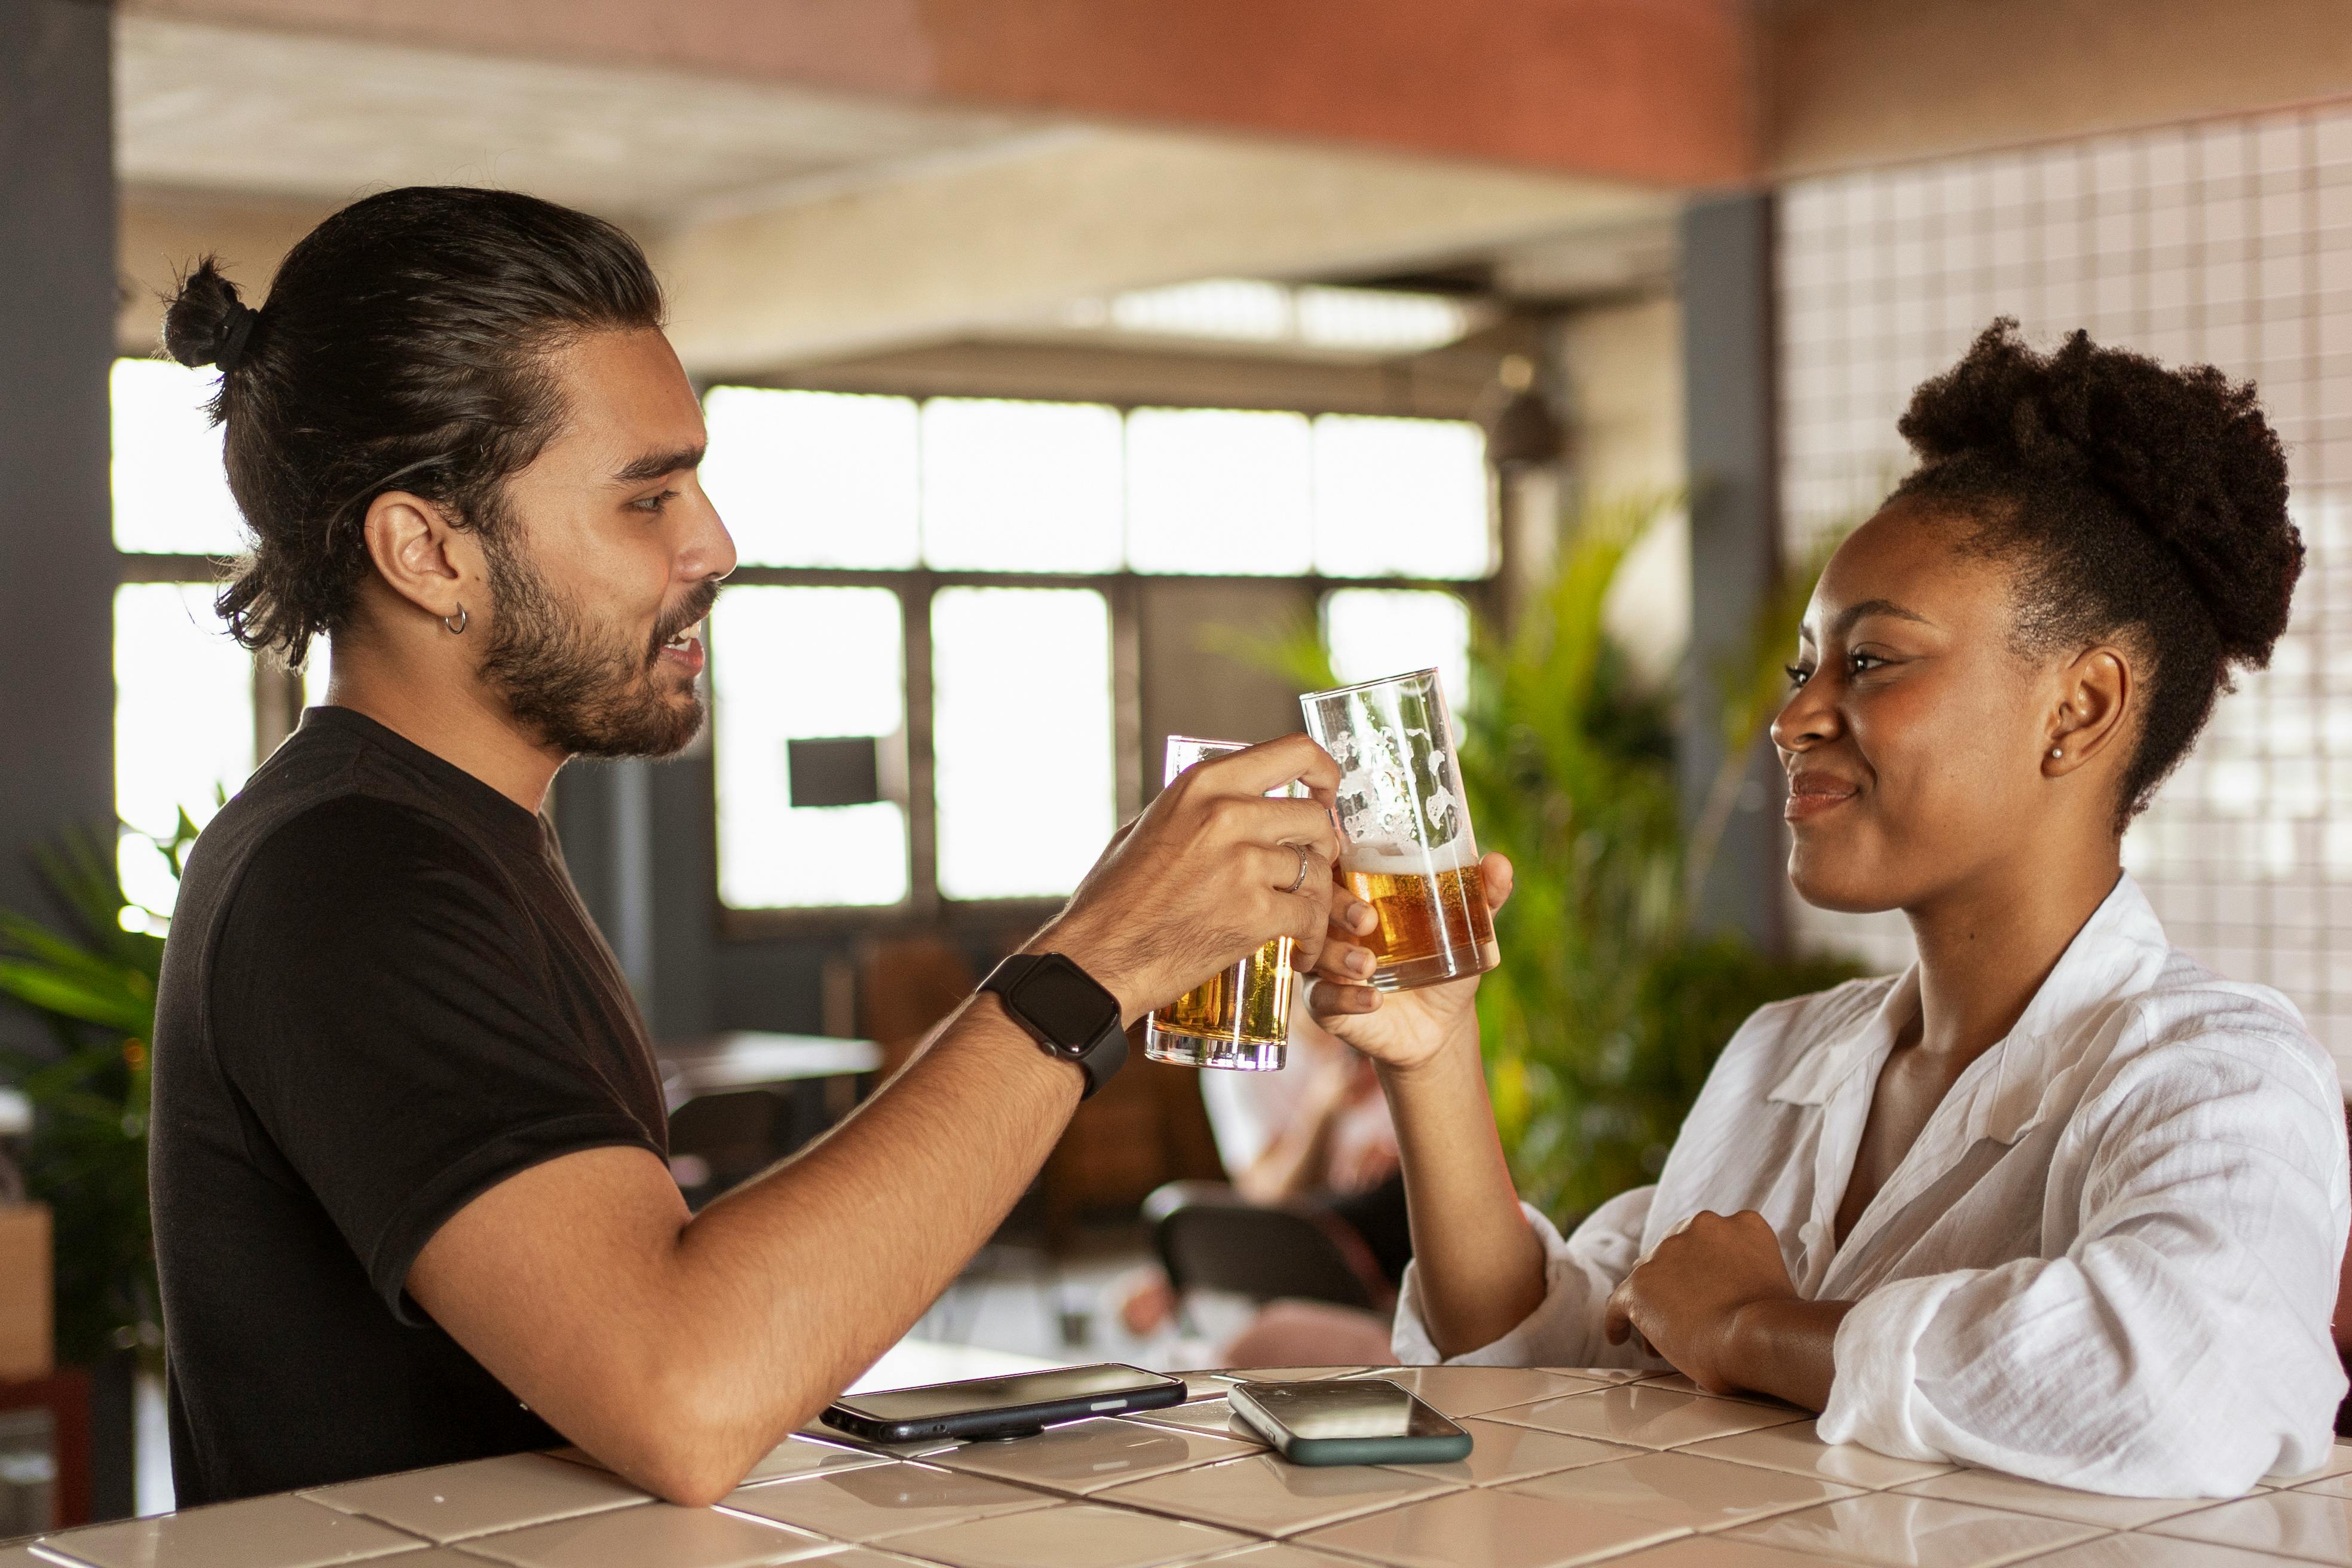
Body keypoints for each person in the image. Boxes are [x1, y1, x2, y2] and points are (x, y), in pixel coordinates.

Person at [146, 186, 1345, 1508]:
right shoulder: (346, 877)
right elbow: (685, 1389)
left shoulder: (454, 840)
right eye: (647, 499)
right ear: (426, 550)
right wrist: (1096, 962)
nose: (715, 542)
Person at [1309, 320, 2351, 1497]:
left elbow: (2182, 1383)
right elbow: (1547, 1361)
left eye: (1873, 661)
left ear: (2080, 707)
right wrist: (1434, 1052)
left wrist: (1759, 1328)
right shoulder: (1784, 1057)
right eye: (1806, 663)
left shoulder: (2216, 1073)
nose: (1795, 714)